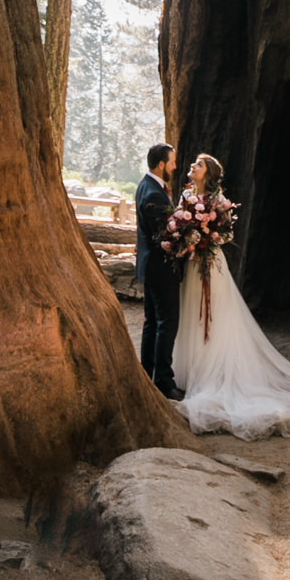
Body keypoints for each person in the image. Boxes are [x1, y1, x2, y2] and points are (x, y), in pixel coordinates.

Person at [170, 153, 290, 440]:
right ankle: (184, 373)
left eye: (199, 165)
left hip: (210, 264)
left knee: (215, 315)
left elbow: (224, 234)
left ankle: (212, 372)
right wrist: (187, 240)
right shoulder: (186, 196)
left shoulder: (217, 201)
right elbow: (180, 226)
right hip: (193, 265)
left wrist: (207, 238)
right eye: (194, 164)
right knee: (190, 312)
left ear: (207, 174)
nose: (192, 167)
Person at [135, 142, 181, 399]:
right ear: (161, 164)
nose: (175, 166)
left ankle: (146, 374)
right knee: (167, 322)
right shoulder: (152, 192)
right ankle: (164, 381)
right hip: (160, 266)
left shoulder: (147, 186)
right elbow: (162, 234)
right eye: (172, 162)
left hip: (149, 265)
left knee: (152, 322)